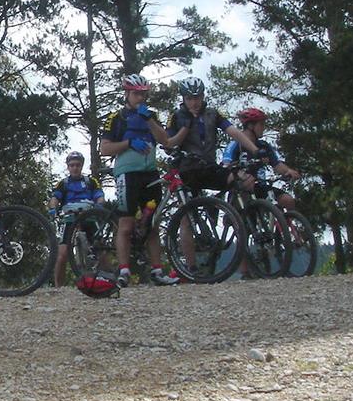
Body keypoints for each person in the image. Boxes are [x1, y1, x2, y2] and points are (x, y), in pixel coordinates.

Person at [165, 76, 267, 272]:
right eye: (189, 98)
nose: (194, 102)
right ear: (183, 99)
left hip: (209, 166)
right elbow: (169, 143)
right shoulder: (176, 116)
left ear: (203, 96)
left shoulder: (212, 113)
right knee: (185, 217)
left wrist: (254, 150)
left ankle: (233, 216)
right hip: (188, 169)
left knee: (239, 179)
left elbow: (233, 132)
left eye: (197, 97)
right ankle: (191, 267)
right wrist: (184, 129)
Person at [99, 74, 186, 288]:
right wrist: (129, 143)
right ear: (127, 94)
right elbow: (104, 149)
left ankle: (157, 271)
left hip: (150, 173)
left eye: (143, 94)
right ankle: (124, 271)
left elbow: (165, 140)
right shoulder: (116, 117)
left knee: (152, 223)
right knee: (126, 224)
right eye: (136, 94)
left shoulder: (151, 115)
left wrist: (149, 120)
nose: (140, 98)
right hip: (127, 174)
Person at [222, 107, 302, 209]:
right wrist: (239, 174)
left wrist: (288, 171)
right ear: (251, 126)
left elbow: (277, 165)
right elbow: (226, 164)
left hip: (261, 186)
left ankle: (286, 220)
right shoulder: (235, 144)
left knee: (287, 200)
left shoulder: (263, 146)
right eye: (261, 124)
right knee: (245, 212)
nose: (263, 128)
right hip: (241, 188)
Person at [47, 151, 105, 288]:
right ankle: (58, 287)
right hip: (70, 218)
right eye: (72, 165)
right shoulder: (63, 183)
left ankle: (107, 281)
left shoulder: (91, 181)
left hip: (89, 217)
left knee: (101, 251)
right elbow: (55, 198)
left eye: (77, 165)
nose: (75, 168)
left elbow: (99, 196)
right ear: (68, 167)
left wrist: (99, 205)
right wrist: (53, 208)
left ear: (82, 166)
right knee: (62, 254)